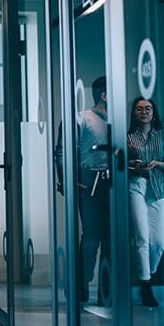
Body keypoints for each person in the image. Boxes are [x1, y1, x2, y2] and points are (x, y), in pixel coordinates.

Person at [55, 76, 111, 305]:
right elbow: (61, 152)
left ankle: (106, 291)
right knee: (91, 237)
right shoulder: (82, 119)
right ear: (105, 96)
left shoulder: (116, 121)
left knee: (110, 238)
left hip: (112, 184)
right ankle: (81, 285)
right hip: (89, 184)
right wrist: (67, 182)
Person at [126, 97, 164, 308]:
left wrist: (159, 164)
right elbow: (120, 164)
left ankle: (148, 274)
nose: (144, 111)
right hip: (136, 186)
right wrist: (132, 165)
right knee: (142, 238)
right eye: (139, 109)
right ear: (134, 113)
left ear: (153, 112)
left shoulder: (163, 136)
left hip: (156, 189)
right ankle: (146, 285)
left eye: (148, 108)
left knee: (159, 242)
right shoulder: (127, 137)